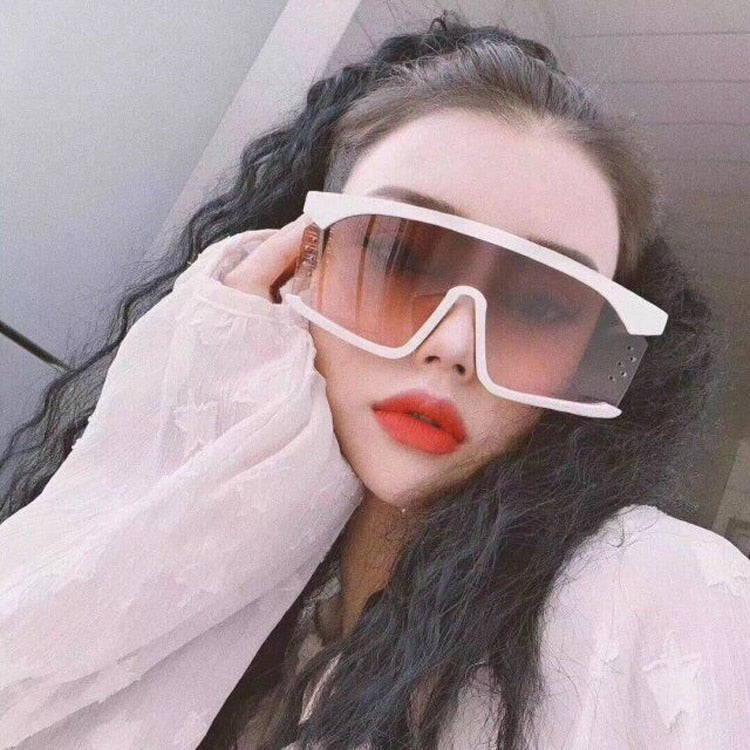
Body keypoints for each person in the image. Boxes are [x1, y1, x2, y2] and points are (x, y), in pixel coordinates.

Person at [1, 11, 748, 750]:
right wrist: (210, 437)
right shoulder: (274, 617)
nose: (453, 346)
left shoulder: (653, 592)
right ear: (294, 262)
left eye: (544, 306)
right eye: (398, 256)